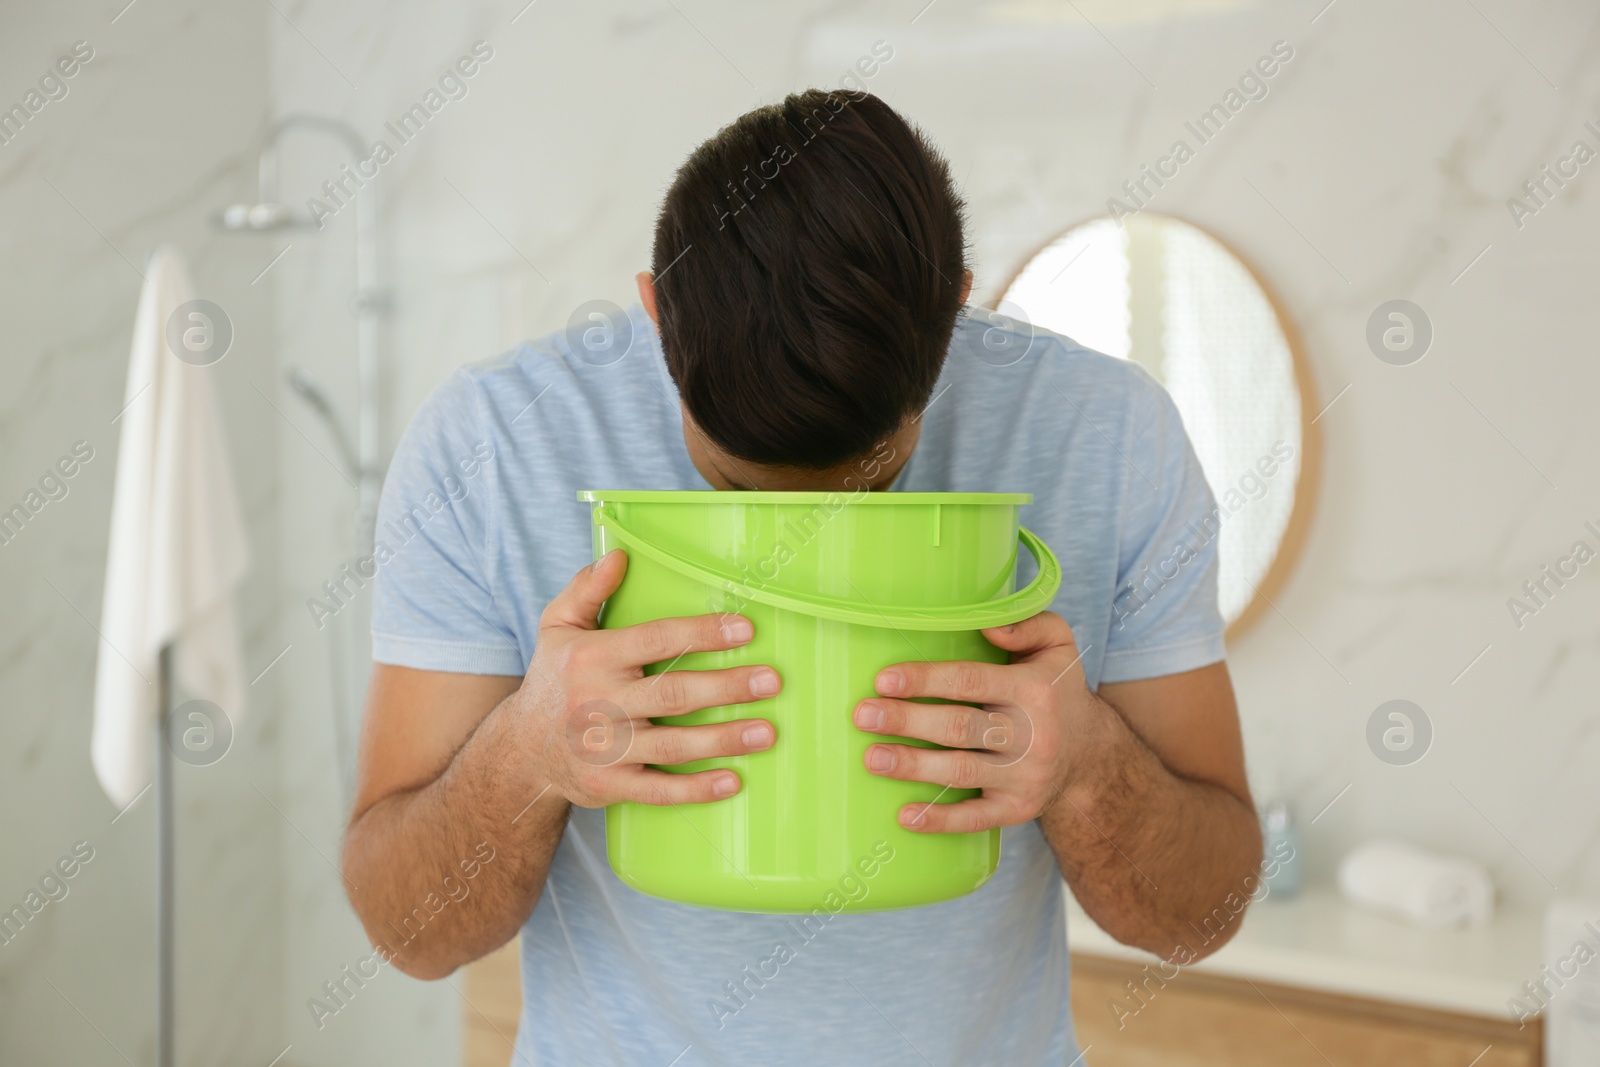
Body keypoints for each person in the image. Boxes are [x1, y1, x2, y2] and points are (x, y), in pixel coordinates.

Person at [342, 88, 1261, 1066]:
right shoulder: (490, 441)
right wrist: (523, 756)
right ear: (658, 318)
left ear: (953, 311)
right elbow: (408, 932)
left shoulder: (1109, 435)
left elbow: (1199, 915)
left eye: (871, 480)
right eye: (735, 482)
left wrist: (1085, 765)